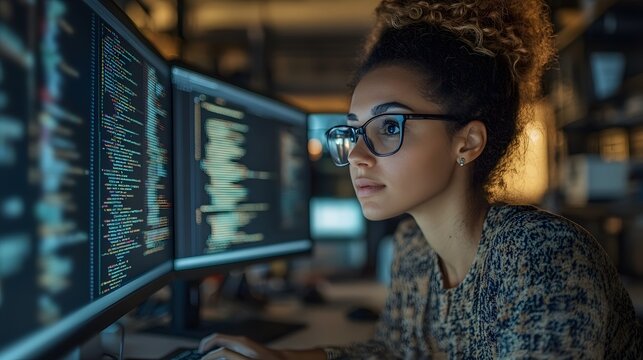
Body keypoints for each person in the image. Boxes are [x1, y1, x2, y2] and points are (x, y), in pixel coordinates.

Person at [199, 0, 643, 358]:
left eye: (389, 126)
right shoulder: (413, 247)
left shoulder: (543, 257)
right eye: (353, 131)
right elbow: (393, 349)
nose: (356, 154)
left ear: (466, 142)